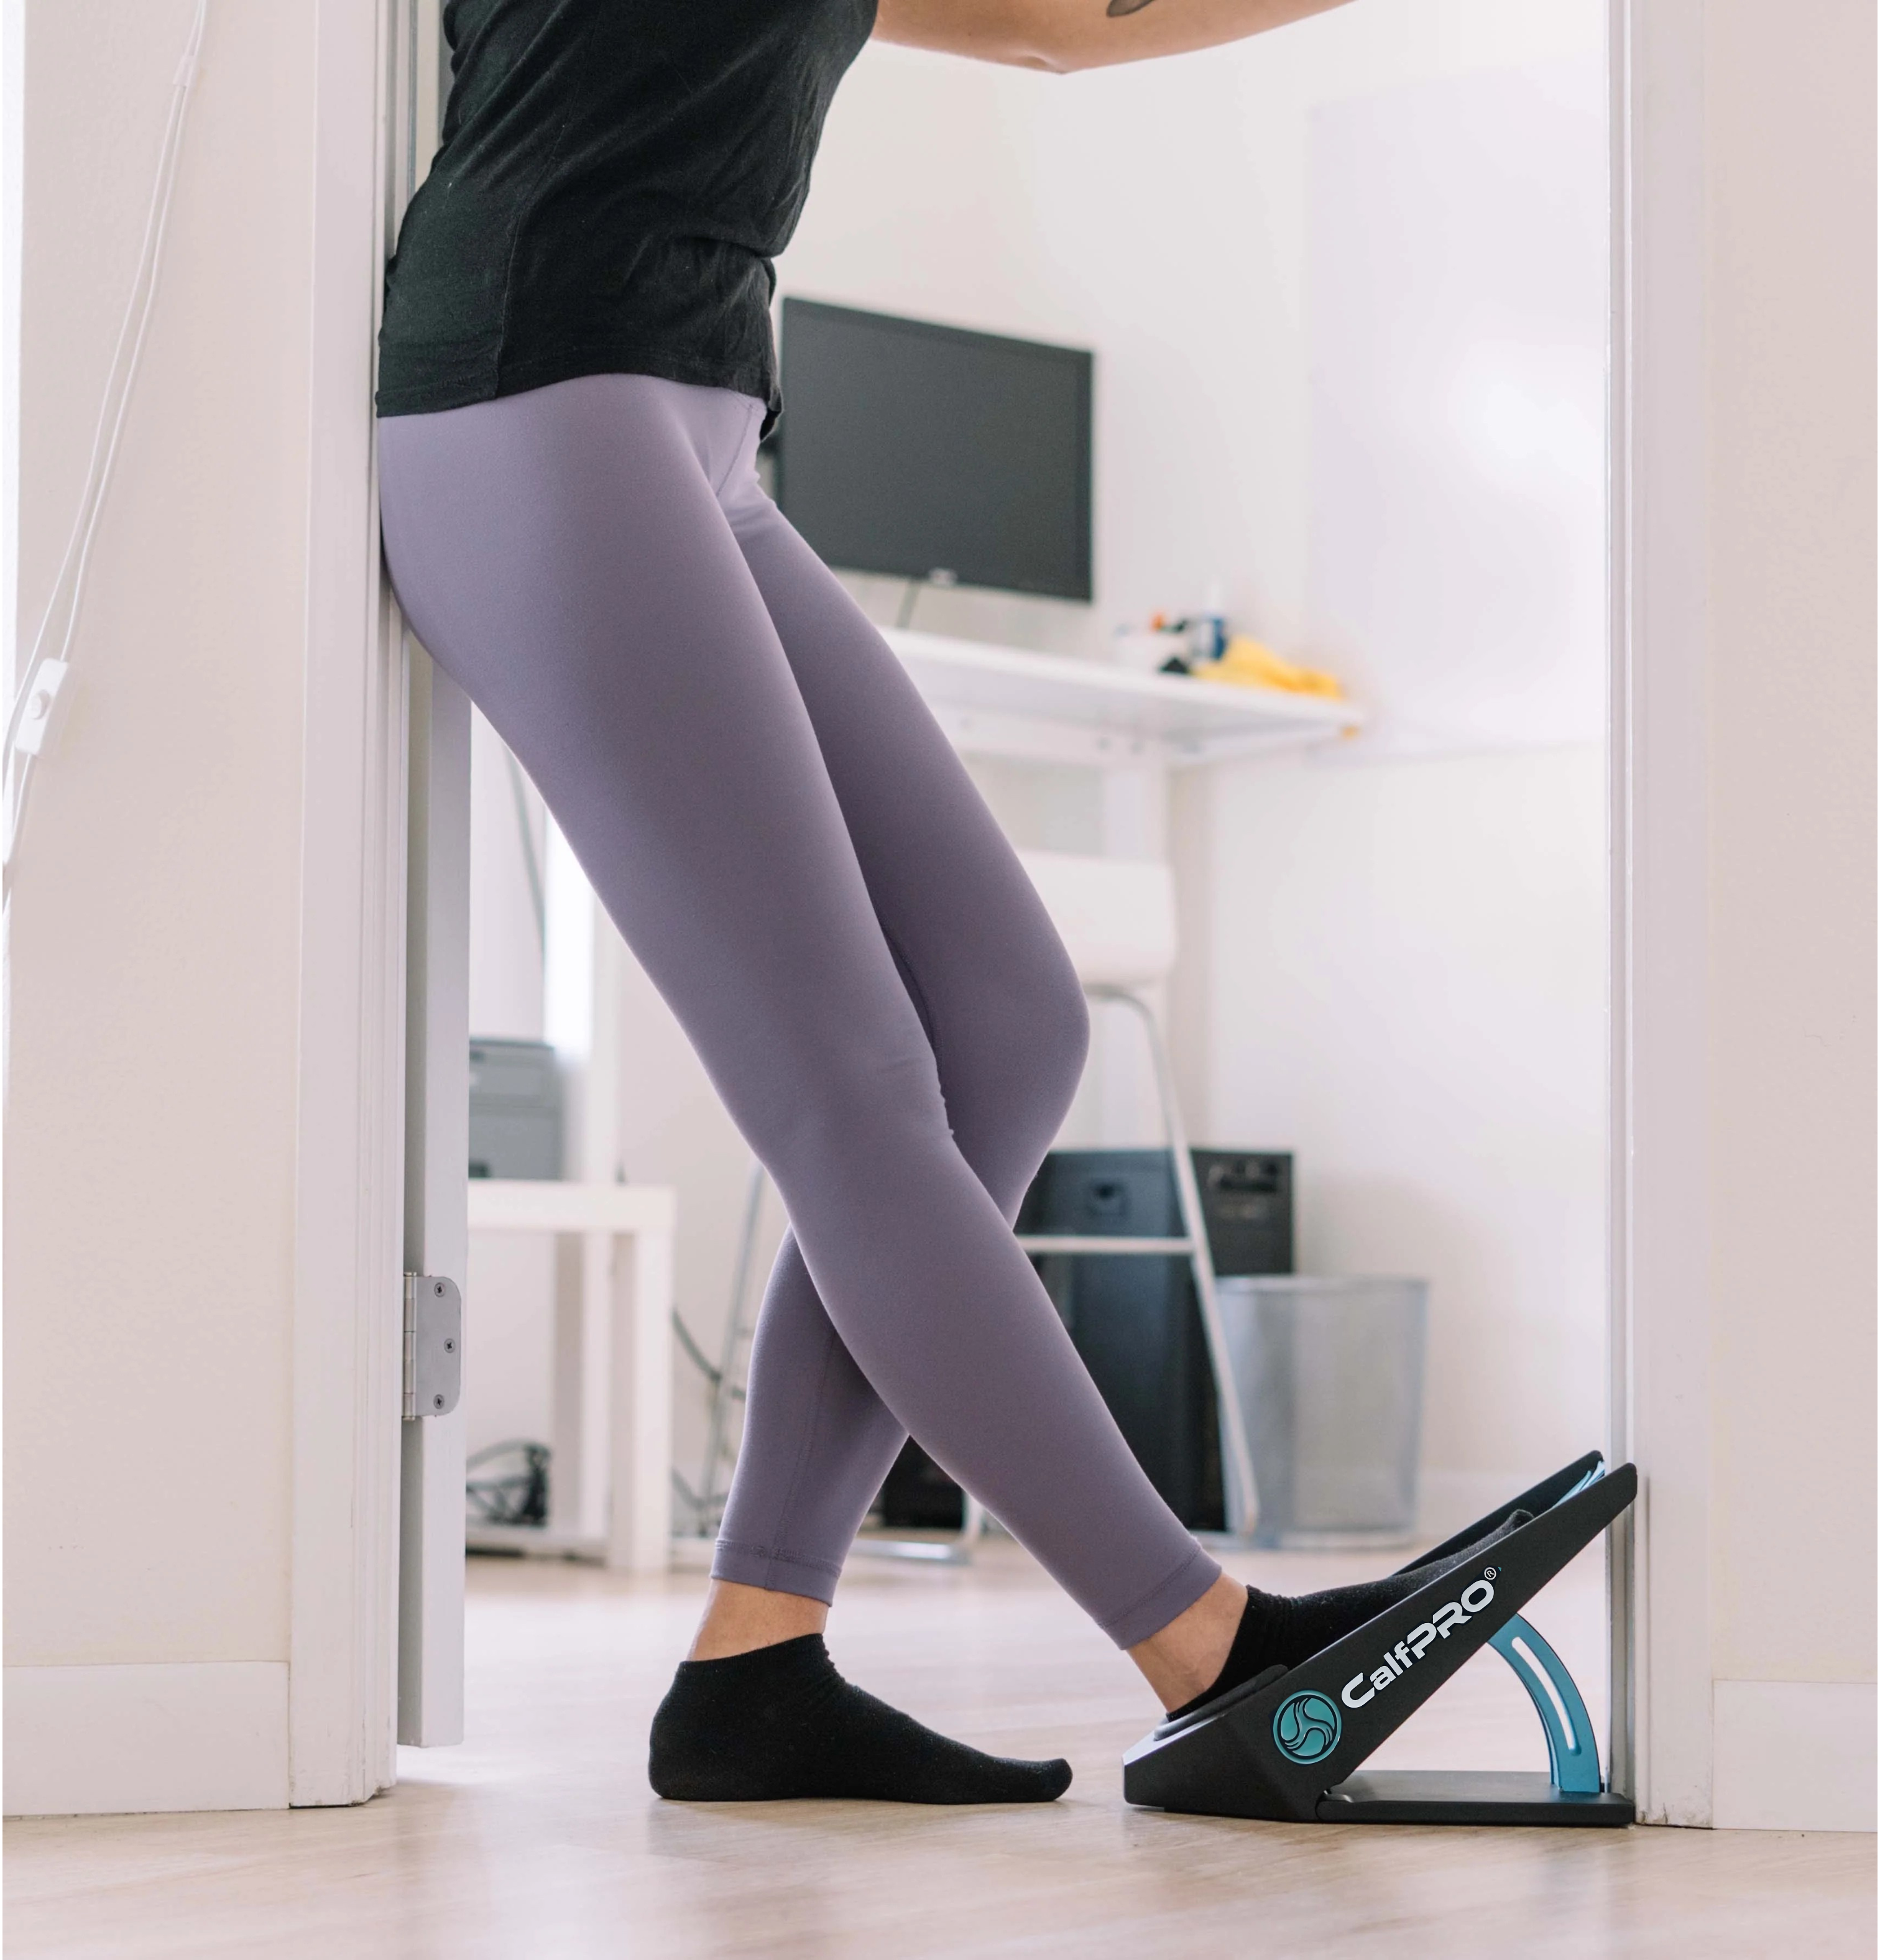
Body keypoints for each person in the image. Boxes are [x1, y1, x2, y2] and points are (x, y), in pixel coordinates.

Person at [376, 0, 1512, 1805]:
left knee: (1011, 1020)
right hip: (535, 387)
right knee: (847, 1087)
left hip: (703, 431)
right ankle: (1201, 1644)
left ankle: (757, 1655)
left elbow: (1069, 27)